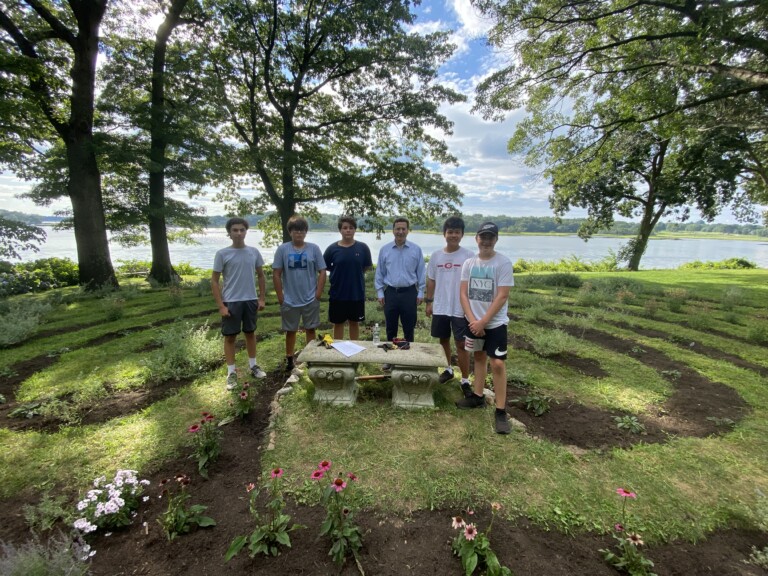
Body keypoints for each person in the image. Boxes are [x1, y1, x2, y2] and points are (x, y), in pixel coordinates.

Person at [455, 222, 514, 435]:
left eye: (490, 237)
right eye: (483, 237)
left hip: (495, 323)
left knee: (497, 363)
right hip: (473, 321)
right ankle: (478, 397)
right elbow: (463, 293)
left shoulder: (503, 263)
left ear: (496, 239)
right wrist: (473, 320)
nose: (486, 241)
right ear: (476, 239)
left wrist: (483, 322)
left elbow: (502, 295)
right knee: (478, 358)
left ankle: (500, 410)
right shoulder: (469, 263)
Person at [211, 217, 267, 390]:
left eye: (242, 230)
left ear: (246, 232)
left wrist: (262, 298)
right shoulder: (222, 254)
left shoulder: (253, 252)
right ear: (229, 233)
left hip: (250, 300)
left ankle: (253, 366)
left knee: (250, 333)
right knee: (230, 337)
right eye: (235, 230)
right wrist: (221, 305)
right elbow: (214, 281)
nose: (239, 233)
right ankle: (231, 372)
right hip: (231, 301)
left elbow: (261, 275)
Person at [425, 216, 474, 395]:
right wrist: (429, 302)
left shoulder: (469, 256)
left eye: (457, 232)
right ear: (444, 234)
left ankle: (465, 380)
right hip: (441, 306)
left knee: (461, 344)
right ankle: (448, 369)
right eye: (450, 232)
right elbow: (431, 280)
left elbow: (472, 282)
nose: (453, 235)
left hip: (461, 308)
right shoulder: (437, 256)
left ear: (462, 235)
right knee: (443, 339)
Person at [272, 215, 327, 372]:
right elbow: (276, 273)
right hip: (289, 299)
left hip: (310, 297)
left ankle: (310, 357)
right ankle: (290, 359)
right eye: (296, 230)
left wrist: (318, 293)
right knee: (291, 330)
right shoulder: (282, 249)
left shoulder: (314, 249)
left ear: (306, 232)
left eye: (302, 230)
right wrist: (280, 296)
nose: (299, 233)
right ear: (290, 232)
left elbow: (322, 271)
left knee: (311, 329)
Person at [374, 217, 426, 347]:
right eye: (398, 229)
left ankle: (409, 360)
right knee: (391, 328)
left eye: (403, 229)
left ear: (408, 230)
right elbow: (380, 272)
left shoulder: (416, 250)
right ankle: (391, 358)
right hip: (390, 293)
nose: (400, 232)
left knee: (409, 327)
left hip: (409, 293)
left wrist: (421, 292)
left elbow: (421, 272)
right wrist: (380, 292)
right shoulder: (385, 250)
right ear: (393, 230)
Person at [323, 216, 373, 340]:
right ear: (340, 230)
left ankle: (354, 349)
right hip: (337, 293)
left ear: (355, 230)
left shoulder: (363, 248)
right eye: (345, 228)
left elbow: (366, 267)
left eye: (351, 228)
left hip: (356, 293)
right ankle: (338, 350)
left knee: (354, 322)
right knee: (338, 323)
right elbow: (325, 267)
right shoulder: (332, 249)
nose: (348, 230)